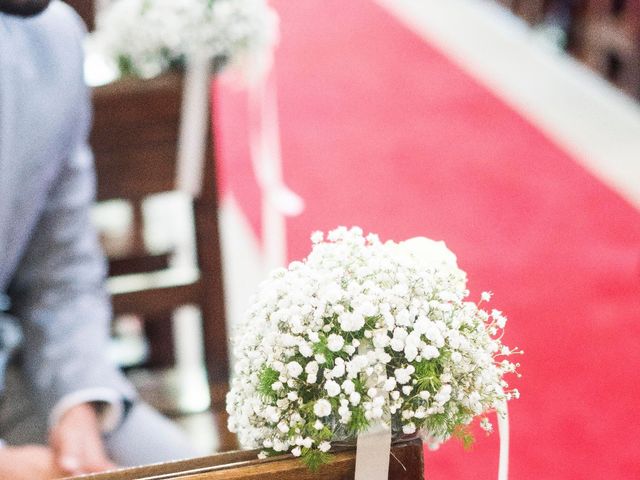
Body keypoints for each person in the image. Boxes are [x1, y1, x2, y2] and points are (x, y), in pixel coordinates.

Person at [0, 1, 198, 478]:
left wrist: (79, 404)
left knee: (187, 468)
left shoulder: (53, 39)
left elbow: (61, 269)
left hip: (15, 380)